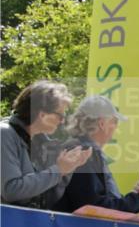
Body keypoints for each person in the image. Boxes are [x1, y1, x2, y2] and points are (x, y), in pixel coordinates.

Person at [55, 95, 139, 214]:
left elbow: (104, 202)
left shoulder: (85, 151)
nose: (116, 127)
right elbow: (93, 209)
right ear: (102, 124)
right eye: (114, 121)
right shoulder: (82, 153)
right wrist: (138, 199)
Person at [2, 80, 91, 208]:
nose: (62, 121)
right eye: (60, 116)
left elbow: (48, 199)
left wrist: (68, 169)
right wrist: (59, 170)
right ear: (42, 114)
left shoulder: (41, 143)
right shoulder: (4, 134)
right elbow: (11, 191)